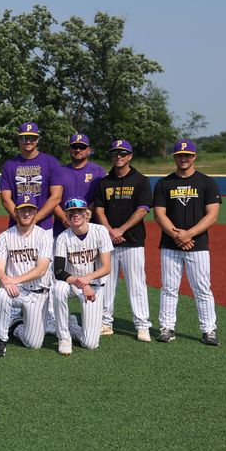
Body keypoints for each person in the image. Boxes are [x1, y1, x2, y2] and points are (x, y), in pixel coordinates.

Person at [153, 139, 222, 346]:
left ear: (194, 157)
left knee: (202, 288)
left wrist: (188, 234)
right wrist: (177, 235)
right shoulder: (164, 183)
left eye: (188, 155)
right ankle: (166, 327)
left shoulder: (207, 182)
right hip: (170, 244)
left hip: (197, 245)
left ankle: (209, 330)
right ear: (175, 157)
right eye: (180, 155)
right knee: (168, 288)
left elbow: (212, 215)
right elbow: (159, 215)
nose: (184, 159)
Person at [93, 139, 153, 341]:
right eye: (115, 153)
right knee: (106, 283)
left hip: (132, 240)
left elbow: (143, 209)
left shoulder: (141, 180)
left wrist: (121, 229)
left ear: (130, 156)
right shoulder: (105, 181)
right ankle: (105, 322)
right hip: (108, 241)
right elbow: (99, 210)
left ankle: (142, 325)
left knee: (136, 284)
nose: (118, 156)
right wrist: (110, 231)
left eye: (123, 153)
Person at [0, 197, 54, 357]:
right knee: (3, 294)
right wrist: (6, 281)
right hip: (16, 290)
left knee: (34, 344)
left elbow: (41, 269)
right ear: (15, 213)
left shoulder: (44, 236)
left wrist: (14, 280)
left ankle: (16, 325)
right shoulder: (5, 236)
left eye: (30, 210)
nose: (26, 213)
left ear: (35, 212)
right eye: (22, 210)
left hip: (38, 293)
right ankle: (0, 339)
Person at [52, 198, 113, 356]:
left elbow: (106, 267)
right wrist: (82, 283)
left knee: (90, 343)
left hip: (95, 286)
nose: (76, 215)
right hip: (72, 283)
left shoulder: (100, 231)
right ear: (67, 216)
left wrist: (87, 281)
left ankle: (71, 325)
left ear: (87, 214)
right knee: (58, 289)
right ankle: (64, 337)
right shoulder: (63, 237)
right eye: (71, 213)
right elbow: (58, 271)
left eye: (79, 212)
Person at [0, 122, 63, 230]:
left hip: (43, 227)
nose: (28, 141)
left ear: (37, 139)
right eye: (24, 137)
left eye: (32, 138)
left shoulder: (51, 162)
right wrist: (21, 220)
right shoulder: (9, 165)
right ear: (19, 139)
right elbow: (6, 199)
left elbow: (56, 197)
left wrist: (34, 219)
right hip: (17, 226)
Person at [52, 134, 106, 237]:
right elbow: (53, 199)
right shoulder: (59, 171)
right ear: (69, 149)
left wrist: (83, 217)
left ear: (88, 150)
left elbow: (100, 199)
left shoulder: (98, 171)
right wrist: (65, 219)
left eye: (82, 147)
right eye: (74, 147)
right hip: (63, 229)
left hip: (90, 228)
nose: (78, 150)